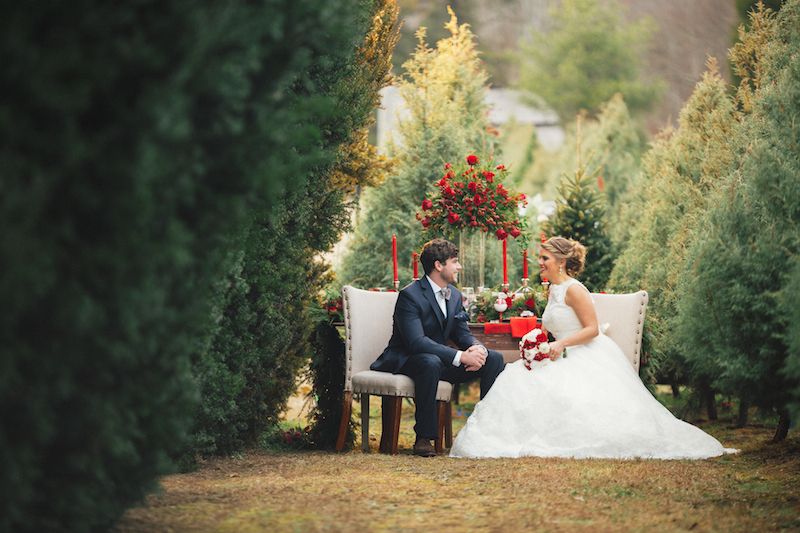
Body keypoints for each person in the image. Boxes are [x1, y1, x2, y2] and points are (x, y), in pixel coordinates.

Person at [450, 236, 737, 459]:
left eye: (544, 258)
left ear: (561, 261)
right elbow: (549, 326)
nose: (540, 262)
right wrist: (535, 339)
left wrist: (560, 343)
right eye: (539, 257)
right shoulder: (552, 289)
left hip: (584, 353)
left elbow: (592, 329)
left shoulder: (575, 289)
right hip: (557, 353)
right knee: (516, 380)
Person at [370, 238, 506, 457]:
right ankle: (424, 438)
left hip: (439, 360)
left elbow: (462, 333)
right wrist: (461, 357)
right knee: (429, 361)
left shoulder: (454, 295)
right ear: (438, 265)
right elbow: (417, 342)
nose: (459, 266)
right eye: (455, 261)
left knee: (494, 358)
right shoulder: (410, 296)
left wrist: (476, 348)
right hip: (407, 358)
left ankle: (486, 431)